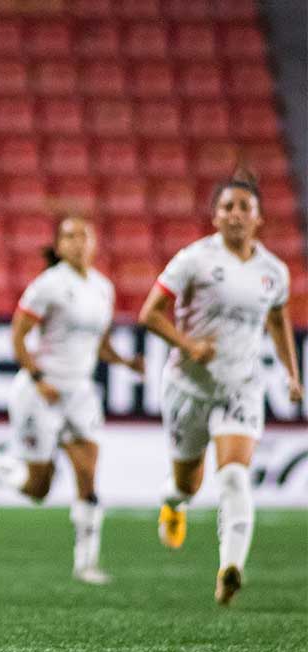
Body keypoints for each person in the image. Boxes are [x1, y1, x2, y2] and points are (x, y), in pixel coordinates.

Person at [138, 168, 301, 605]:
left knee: (233, 476)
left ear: (259, 217)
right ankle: (172, 503)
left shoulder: (273, 272)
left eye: (244, 207)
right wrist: (188, 343)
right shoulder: (194, 260)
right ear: (214, 217)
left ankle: (230, 567)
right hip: (188, 386)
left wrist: (292, 374)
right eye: (227, 207)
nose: (235, 214)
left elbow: (278, 319)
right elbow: (149, 313)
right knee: (187, 483)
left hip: (241, 386)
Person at [0, 216, 144, 585]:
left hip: (80, 393)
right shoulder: (47, 286)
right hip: (40, 394)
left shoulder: (102, 288)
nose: (77, 242)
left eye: (84, 235)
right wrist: (38, 376)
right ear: (59, 246)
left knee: (87, 476)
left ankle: (86, 563)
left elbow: (98, 342)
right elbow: (18, 335)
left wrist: (124, 361)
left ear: (94, 243)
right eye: (69, 236)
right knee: (38, 488)